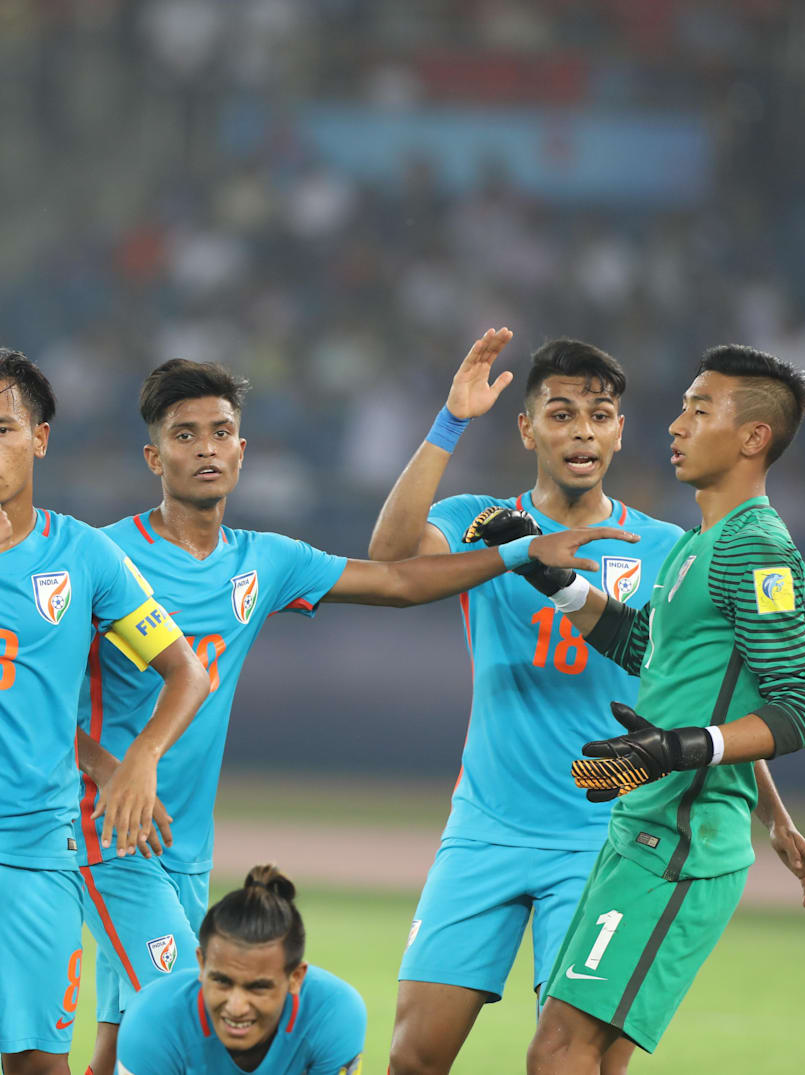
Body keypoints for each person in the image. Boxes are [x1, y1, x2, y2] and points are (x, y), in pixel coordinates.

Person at [77, 357, 622, 1075]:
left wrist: (517, 554)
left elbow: (396, 579)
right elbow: (27, 690)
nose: (206, 447)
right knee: (194, 1012)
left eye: (221, 432)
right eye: (185, 435)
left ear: (242, 450)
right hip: (107, 830)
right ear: (155, 455)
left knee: (124, 1044)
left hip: (182, 841)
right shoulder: (105, 555)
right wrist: (107, 764)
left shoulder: (263, 561)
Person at [368, 330, 805, 1075]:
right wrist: (457, 434)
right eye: (561, 413)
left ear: (618, 429)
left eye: (601, 413)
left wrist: (765, 808)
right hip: (493, 822)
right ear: (528, 428)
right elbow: (390, 556)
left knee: (572, 1055)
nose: (583, 429)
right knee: (420, 1056)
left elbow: (740, 696)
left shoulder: (676, 544)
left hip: (610, 826)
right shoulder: (490, 524)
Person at [520, 344, 805, 1074]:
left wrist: (679, 749)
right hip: (649, 826)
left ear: (754, 436)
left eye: (699, 409)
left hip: (681, 844)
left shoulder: (756, 547)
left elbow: (798, 707)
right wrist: (557, 583)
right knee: (588, 1053)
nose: (676, 423)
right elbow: (646, 648)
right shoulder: (701, 543)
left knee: (558, 1049)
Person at [0, 349, 210, 1075]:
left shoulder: (82, 556)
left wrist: (137, 758)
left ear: (39, 438)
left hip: (34, 856)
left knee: (36, 1063)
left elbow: (185, 670)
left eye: (2, 427)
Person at [115, 864, 366, 1074]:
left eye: (258, 987)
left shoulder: (333, 1014)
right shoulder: (152, 1022)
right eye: (222, 982)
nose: (236, 1007)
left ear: (296, 977)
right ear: (201, 964)